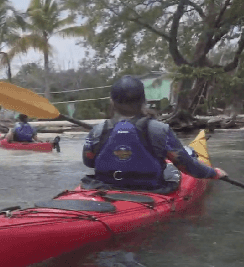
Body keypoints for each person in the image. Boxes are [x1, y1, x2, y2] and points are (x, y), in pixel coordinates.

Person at [81, 75, 227, 193]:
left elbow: (89, 162)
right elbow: (187, 167)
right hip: (150, 189)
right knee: (170, 168)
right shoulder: (159, 129)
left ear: (112, 101)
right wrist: (214, 173)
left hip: (105, 187)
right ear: (143, 100)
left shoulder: (98, 130)